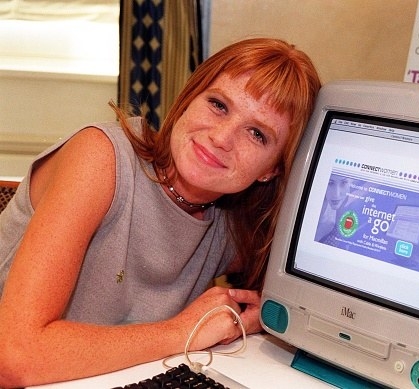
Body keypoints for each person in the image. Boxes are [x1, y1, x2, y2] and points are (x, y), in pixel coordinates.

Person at [0, 37, 321, 387]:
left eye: (257, 134)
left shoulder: (231, 225)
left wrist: (269, 310)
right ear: (187, 99)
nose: (221, 137)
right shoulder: (100, 158)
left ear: (271, 170)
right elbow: (13, 357)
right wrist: (183, 331)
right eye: (218, 104)